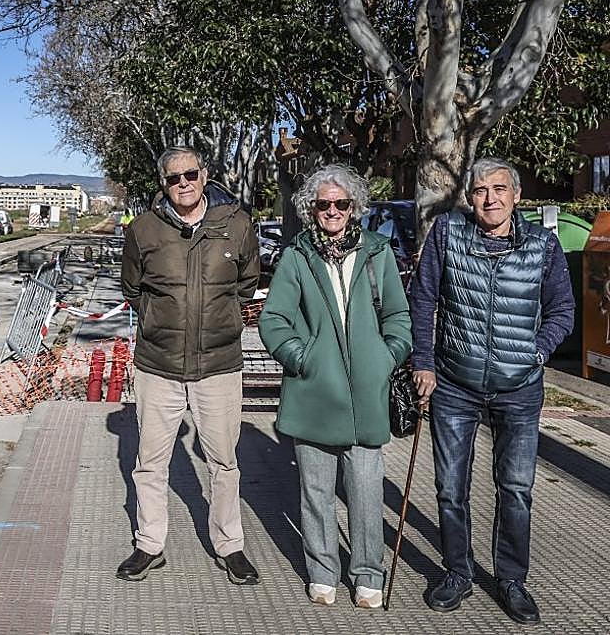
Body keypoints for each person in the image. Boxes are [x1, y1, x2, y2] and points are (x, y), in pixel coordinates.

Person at [410, 158, 575, 624]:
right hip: (455, 385)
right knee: (449, 488)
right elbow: (423, 298)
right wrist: (423, 361)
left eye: (499, 189)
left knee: (517, 489)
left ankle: (511, 579)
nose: (490, 199)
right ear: (469, 196)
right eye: (480, 190)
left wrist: (535, 354)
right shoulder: (446, 232)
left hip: (519, 388)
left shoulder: (544, 244)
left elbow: (562, 310)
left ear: (516, 195)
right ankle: (457, 572)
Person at [258, 165, 412, 608]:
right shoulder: (297, 256)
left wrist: (386, 357)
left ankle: (368, 573)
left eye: (341, 203)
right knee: (315, 492)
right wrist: (302, 358)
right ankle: (322, 569)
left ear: (354, 207)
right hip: (313, 394)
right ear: (311, 208)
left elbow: (398, 317)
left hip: (367, 396)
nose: (332, 210)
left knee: (366, 492)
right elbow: (274, 320)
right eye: (323, 203)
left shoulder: (377, 252)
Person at [116, 146, 261, 584]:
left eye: (190, 174)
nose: (183, 183)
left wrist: (223, 320)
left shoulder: (235, 224)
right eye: (173, 177)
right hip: (158, 365)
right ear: (163, 182)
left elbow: (247, 284)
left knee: (223, 461)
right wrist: (162, 323)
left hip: (219, 365)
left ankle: (229, 545)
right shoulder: (144, 229)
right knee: (149, 462)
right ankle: (148, 544)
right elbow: (132, 288)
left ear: (205, 174)